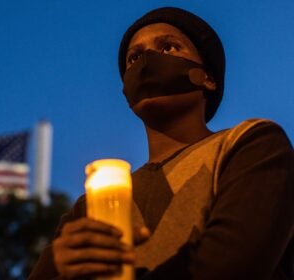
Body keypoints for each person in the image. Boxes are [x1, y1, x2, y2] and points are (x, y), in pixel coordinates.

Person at [28, 7, 294, 280]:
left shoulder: (251, 145)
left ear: (208, 78)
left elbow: (232, 265)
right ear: (126, 91)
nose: (146, 62)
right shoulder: (93, 207)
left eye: (168, 47)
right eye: (134, 58)